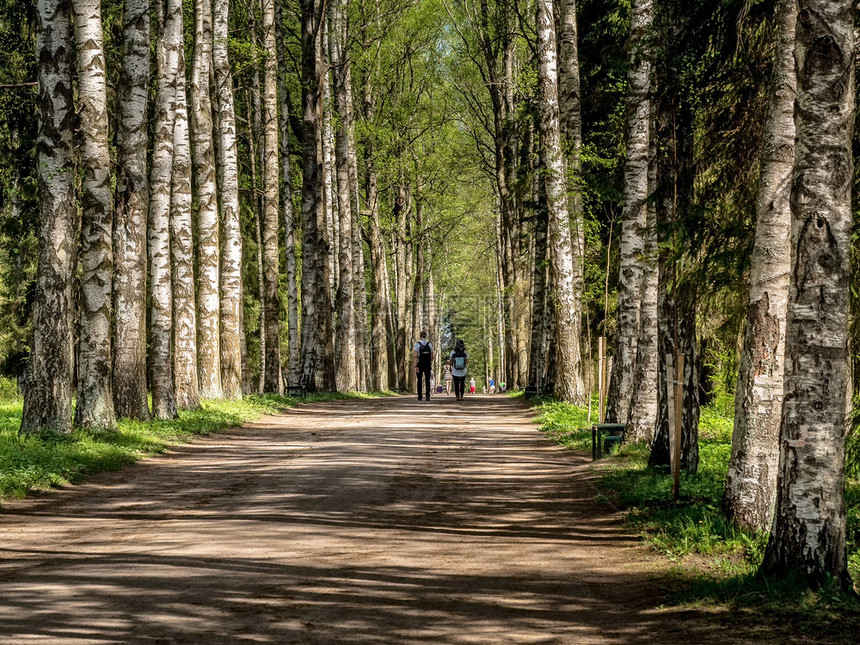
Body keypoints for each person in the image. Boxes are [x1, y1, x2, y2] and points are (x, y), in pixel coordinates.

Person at [413, 331, 433, 401]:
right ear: (426, 336)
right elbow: (432, 356)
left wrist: (415, 366)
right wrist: (430, 363)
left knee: (419, 380)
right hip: (427, 364)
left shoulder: (417, 344)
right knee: (427, 380)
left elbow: (415, 356)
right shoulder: (429, 344)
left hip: (419, 364)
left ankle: (420, 396)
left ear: (420, 336)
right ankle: (428, 396)